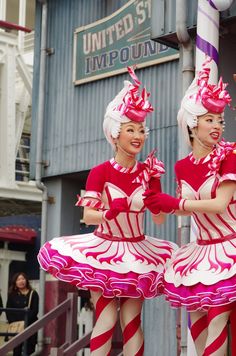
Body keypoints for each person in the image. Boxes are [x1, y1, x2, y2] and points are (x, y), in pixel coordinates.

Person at [38, 66, 177, 355]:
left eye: (141, 129)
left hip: (138, 251)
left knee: (132, 321)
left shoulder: (150, 172)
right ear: (114, 134)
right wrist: (110, 212)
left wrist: (155, 203)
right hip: (104, 250)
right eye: (130, 129)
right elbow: (88, 216)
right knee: (105, 318)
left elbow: (160, 219)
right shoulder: (100, 172)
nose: (137, 135)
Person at [143, 59, 236, 356]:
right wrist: (158, 197)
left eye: (220, 120)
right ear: (192, 124)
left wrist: (177, 203)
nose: (218, 126)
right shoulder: (183, 166)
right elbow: (185, 210)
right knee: (197, 320)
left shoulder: (229, 155)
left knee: (219, 319)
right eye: (210, 119)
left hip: (230, 248)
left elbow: (220, 204)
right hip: (201, 251)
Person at [6, 272, 39, 356]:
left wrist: (26, 322)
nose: (21, 281)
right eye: (18, 279)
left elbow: (35, 311)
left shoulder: (33, 293)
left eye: (23, 279)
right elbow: (8, 311)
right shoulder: (12, 295)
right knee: (17, 349)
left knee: (30, 349)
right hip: (17, 326)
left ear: (26, 280)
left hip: (30, 325)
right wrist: (14, 322)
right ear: (15, 282)